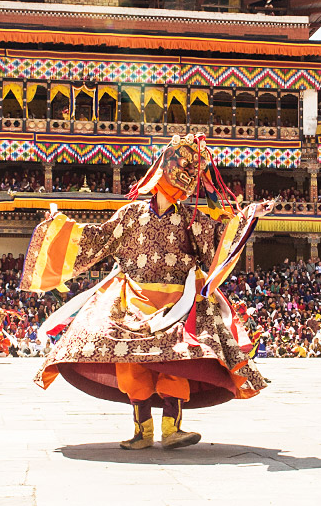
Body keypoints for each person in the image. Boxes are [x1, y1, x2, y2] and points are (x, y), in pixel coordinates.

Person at [21, 133, 272, 450]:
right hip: (133, 299)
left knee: (179, 359)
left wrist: (249, 215)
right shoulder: (130, 215)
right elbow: (97, 240)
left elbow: (219, 242)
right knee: (132, 363)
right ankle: (141, 430)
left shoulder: (192, 218)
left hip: (177, 303)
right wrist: (61, 227)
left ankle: (171, 429)